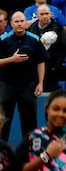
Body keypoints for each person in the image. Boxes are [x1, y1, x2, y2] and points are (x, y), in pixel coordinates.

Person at [0, 10, 47, 143]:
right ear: (11, 24)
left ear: (26, 22)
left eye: (22, 21)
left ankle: (30, 152)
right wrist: (11, 59)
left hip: (28, 85)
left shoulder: (34, 39)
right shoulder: (3, 40)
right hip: (7, 85)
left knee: (29, 122)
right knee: (3, 121)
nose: (20, 24)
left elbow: (41, 61)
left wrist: (40, 83)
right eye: (16, 22)